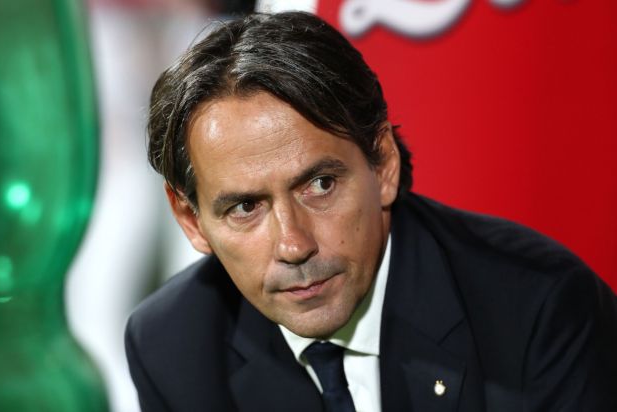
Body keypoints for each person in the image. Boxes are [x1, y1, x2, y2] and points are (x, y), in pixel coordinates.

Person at [125, 11, 617, 412]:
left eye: (319, 185)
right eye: (246, 207)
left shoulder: (540, 311)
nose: (293, 244)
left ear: (383, 165)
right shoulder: (173, 346)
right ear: (191, 220)